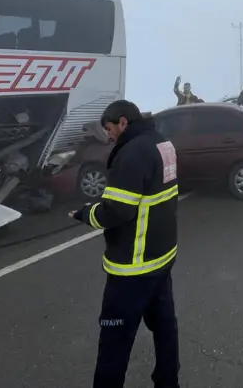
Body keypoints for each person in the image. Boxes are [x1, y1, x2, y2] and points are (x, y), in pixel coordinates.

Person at [70, 99, 180, 388]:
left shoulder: (132, 154)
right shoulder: (161, 142)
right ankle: (168, 382)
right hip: (162, 257)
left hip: (134, 265)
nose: (108, 136)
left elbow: (117, 211)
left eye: (109, 129)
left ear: (123, 122)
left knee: (114, 342)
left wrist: (85, 213)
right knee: (165, 327)